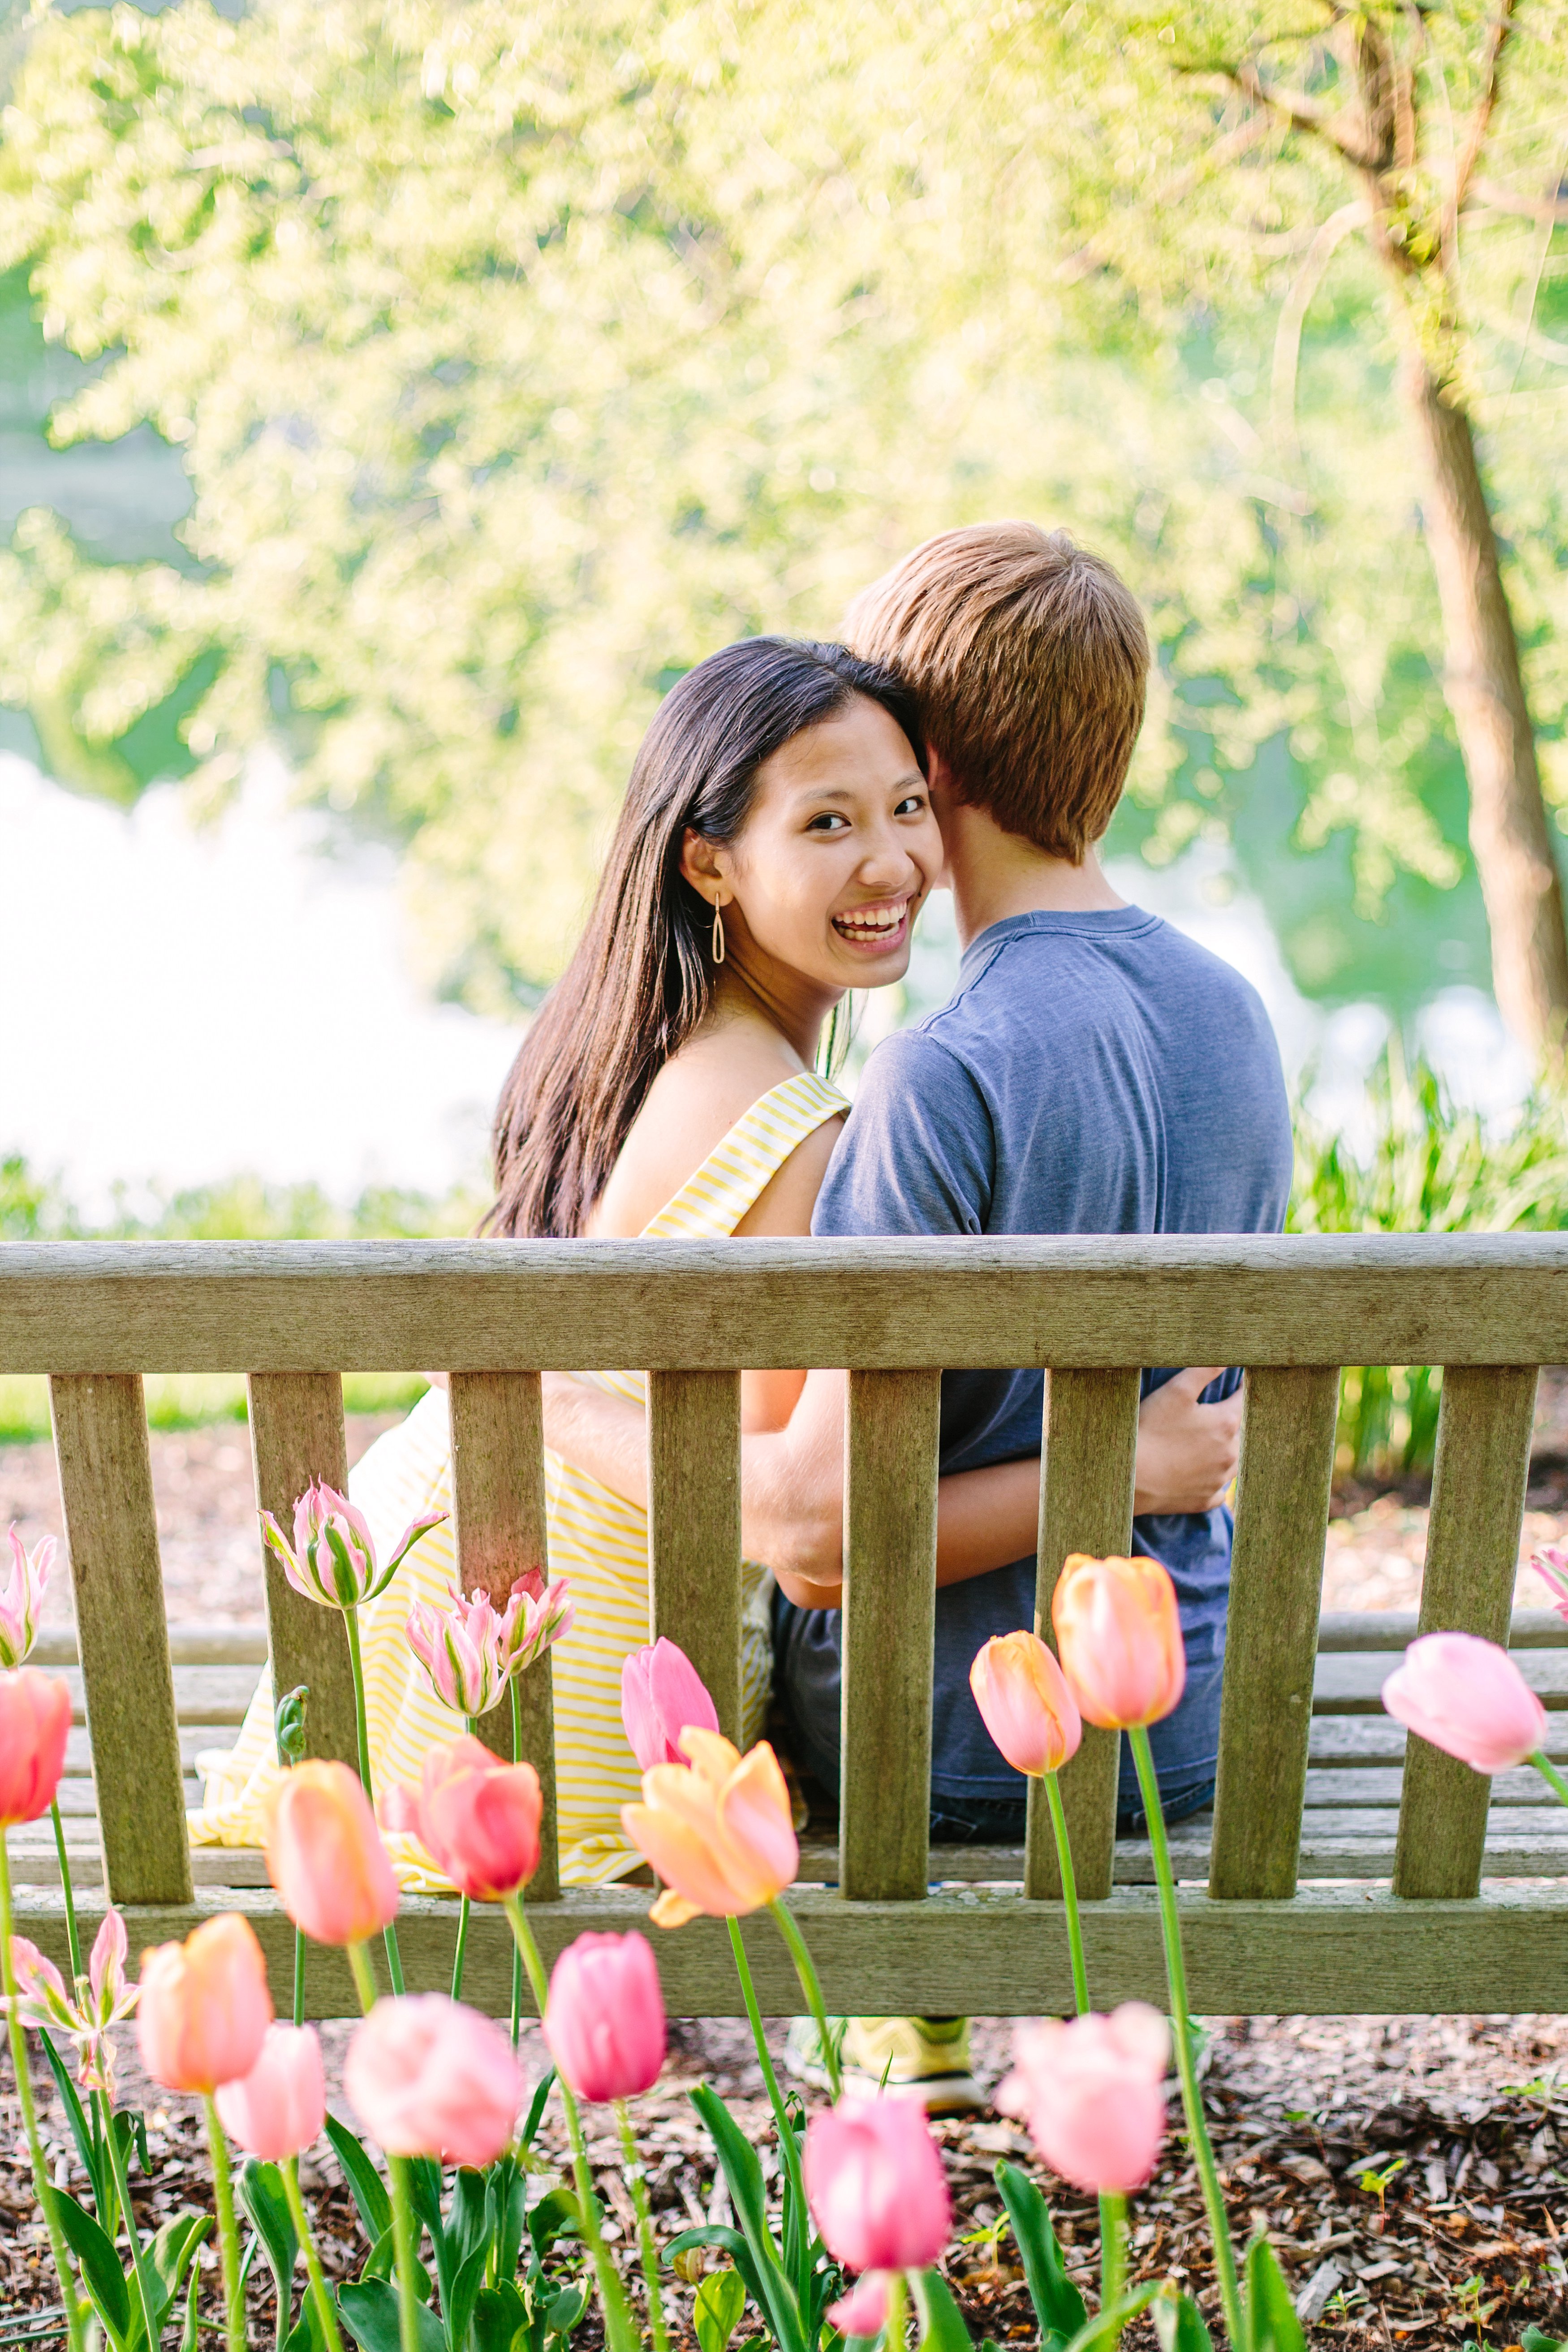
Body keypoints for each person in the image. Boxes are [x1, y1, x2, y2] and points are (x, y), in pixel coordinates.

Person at [191, 630, 1236, 1905]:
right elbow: (811, 1530)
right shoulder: (794, 1133)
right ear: (709, 861)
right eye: (827, 822)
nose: (892, 860)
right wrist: (1129, 1462)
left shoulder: (662, 1051)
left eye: (908, 806)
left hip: (447, 1626)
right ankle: (913, 2039)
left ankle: (913, 2045)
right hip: (561, 1687)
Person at [540, 524, 1292, 2103]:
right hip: (1188, 1713)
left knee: (793, 1578)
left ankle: (922, 2008)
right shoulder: (1234, 1014)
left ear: (929, 762)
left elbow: (816, 1535)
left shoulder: (938, 1072)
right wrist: (1130, 1469)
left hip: (945, 1744)